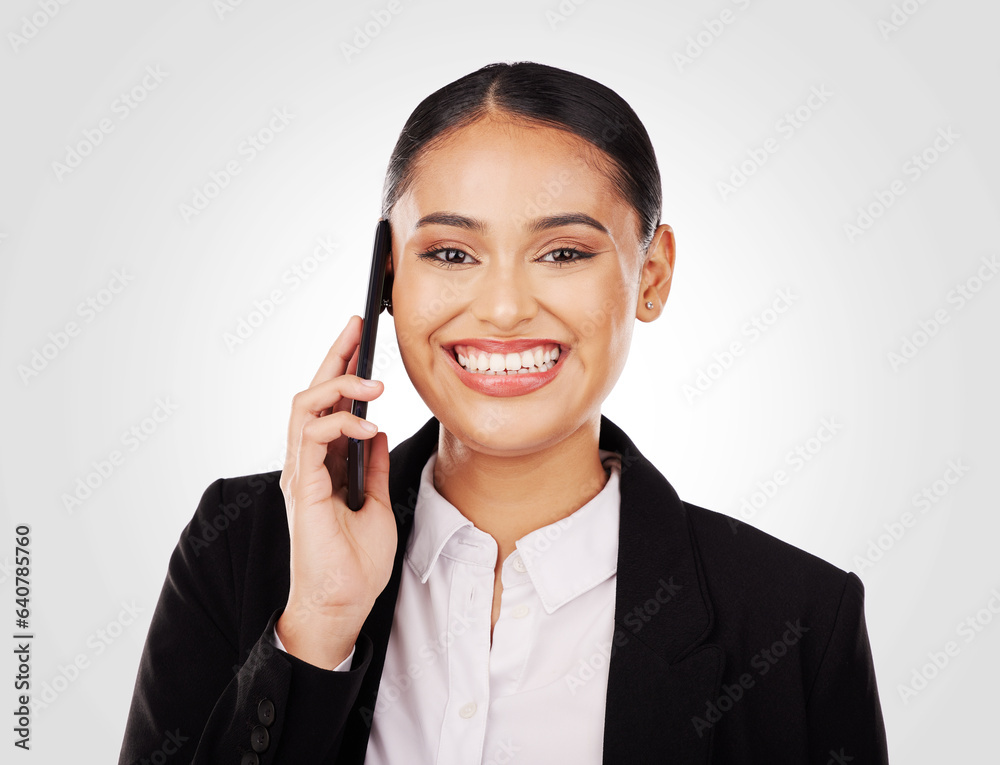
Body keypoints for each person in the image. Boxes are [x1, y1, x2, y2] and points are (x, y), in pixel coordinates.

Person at [118, 61, 889, 764]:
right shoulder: (243, 545)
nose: (505, 308)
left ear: (650, 276)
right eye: (451, 253)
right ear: (386, 276)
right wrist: (319, 625)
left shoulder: (796, 621)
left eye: (563, 252)